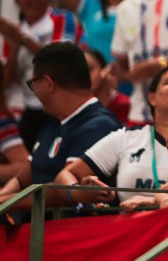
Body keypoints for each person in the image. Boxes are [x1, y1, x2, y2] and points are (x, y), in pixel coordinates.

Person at [54, 66, 168, 204]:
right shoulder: (126, 137)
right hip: (132, 227)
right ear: (152, 97)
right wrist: (78, 194)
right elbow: (64, 176)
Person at [0, 43, 120, 203]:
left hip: (72, 226)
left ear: (48, 83)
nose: (34, 92)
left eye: (34, 84)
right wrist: (3, 196)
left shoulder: (99, 126)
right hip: (37, 225)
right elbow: (22, 179)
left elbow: (62, 192)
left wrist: (6, 203)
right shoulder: (53, 123)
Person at [0, 0, 85, 150]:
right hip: (29, 107)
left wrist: (22, 39)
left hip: (62, 104)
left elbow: (61, 60)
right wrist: (15, 46)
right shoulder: (15, 31)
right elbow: (8, 81)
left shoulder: (63, 19)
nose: (34, 0)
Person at [85, 49, 130, 125]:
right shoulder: (76, 107)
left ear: (105, 70)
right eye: (81, 71)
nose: (85, 75)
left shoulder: (124, 105)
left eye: (90, 69)